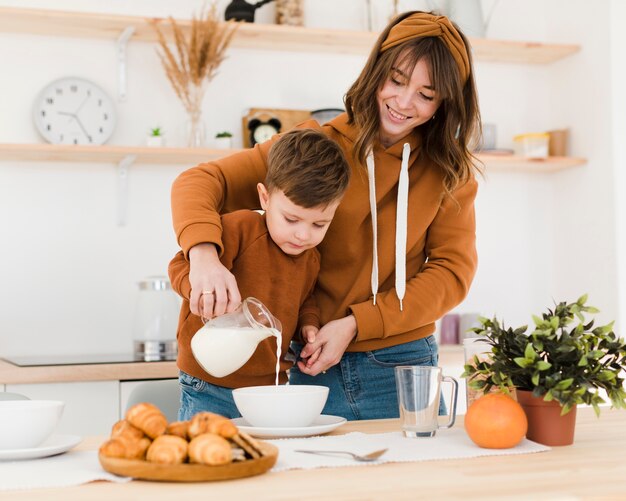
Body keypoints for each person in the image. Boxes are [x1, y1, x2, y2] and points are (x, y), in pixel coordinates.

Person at [170, 10, 480, 421]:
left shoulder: (450, 173)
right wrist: (204, 258)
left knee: (415, 483)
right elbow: (199, 181)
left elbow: (452, 273)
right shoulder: (312, 147)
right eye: (397, 81)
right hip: (305, 369)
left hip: (401, 365)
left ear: (445, 102)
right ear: (376, 72)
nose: (404, 104)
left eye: (426, 95)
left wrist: (355, 324)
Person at [168, 128, 351, 420]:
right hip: (209, 382)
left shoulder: (311, 258)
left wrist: (309, 325)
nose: (303, 235)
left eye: (319, 225)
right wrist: (198, 291)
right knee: (209, 455)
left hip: (269, 387)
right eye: (291, 219)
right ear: (265, 198)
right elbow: (180, 266)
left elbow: (306, 302)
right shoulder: (240, 229)